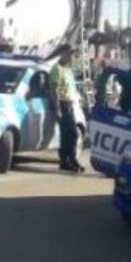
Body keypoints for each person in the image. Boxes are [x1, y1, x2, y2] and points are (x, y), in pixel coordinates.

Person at [49, 44, 85, 173]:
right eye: (69, 53)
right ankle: (68, 161)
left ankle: (68, 161)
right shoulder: (57, 69)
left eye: (72, 54)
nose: (71, 56)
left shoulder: (67, 69)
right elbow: (54, 90)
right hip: (63, 104)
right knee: (71, 134)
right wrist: (57, 108)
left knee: (69, 135)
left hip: (70, 104)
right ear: (62, 53)